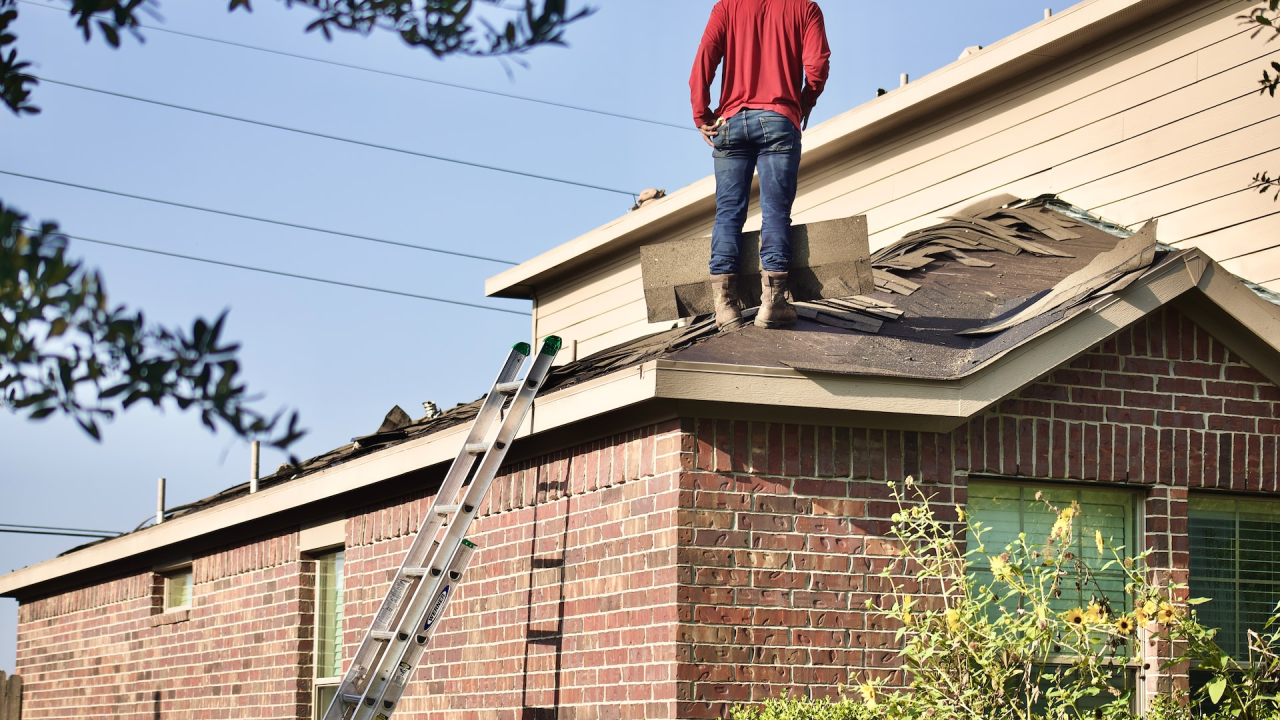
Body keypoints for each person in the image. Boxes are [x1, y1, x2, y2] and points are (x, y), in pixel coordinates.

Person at [690, 0, 830, 330]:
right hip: (780, 119)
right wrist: (804, 101)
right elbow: (818, 65)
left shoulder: (727, 7)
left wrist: (701, 114)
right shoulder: (805, 8)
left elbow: (704, 59)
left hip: (730, 121)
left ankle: (725, 307)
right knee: (776, 211)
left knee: (727, 212)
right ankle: (774, 302)